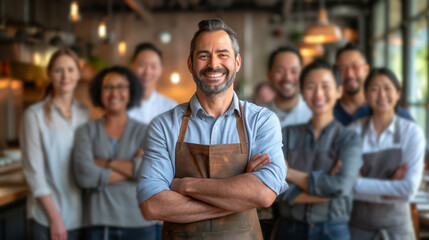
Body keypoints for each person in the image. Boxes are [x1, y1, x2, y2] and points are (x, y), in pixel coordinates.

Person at [137, 18, 288, 240]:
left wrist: (187, 185)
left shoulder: (261, 121)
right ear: (190, 64)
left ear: (237, 62)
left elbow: (263, 194)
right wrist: (240, 196)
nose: (213, 64)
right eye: (203, 55)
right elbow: (153, 206)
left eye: (222, 54)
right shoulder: (164, 126)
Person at [275, 60, 362, 239]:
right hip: (289, 230)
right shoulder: (286, 135)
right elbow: (273, 188)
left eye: (325, 86)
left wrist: (288, 173)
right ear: (302, 92)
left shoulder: (349, 139)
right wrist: (328, 189)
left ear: (339, 91)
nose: (318, 94)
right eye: (311, 86)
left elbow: (341, 186)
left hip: (333, 231)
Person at [73, 66, 156, 240]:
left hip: (139, 222)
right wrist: (134, 169)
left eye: (121, 87)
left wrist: (106, 162)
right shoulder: (86, 131)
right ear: (99, 92)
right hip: (99, 224)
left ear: (131, 91)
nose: (114, 93)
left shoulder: (145, 131)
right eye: (108, 87)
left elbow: (151, 172)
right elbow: (84, 176)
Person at [20, 48, 90, 240]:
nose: (65, 75)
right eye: (59, 70)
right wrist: (55, 218)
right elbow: (34, 173)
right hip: (46, 219)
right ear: (49, 74)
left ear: (78, 73)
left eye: (70, 69)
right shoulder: (34, 116)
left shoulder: (85, 114)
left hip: (81, 218)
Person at [348, 68, 425, 239]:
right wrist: (389, 188)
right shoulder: (353, 131)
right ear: (366, 96)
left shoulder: (412, 133)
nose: (382, 95)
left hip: (398, 228)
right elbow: (345, 185)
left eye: (388, 88)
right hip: (357, 228)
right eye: (374, 89)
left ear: (398, 93)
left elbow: (408, 189)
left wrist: (359, 182)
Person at [335, 42, 413, 125]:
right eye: (342, 68)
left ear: (366, 70)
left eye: (355, 67)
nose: (350, 74)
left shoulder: (396, 114)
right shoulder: (329, 113)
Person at [128, 42, 177, 124]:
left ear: (160, 70)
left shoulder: (170, 107)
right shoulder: (121, 105)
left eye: (153, 66)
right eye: (141, 65)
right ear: (132, 66)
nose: (147, 72)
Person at [264, 46, 312, 128]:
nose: (287, 78)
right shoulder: (259, 115)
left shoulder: (313, 114)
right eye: (280, 71)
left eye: (294, 71)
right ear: (269, 75)